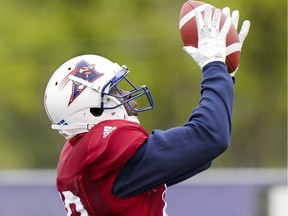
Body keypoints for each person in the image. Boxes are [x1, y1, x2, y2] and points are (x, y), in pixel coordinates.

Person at [44, 6, 250, 216]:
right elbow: (209, 137)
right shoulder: (107, 156)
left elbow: (201, 152)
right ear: (94, 109)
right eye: (115, 90)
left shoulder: (86, 158)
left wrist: (223, 78)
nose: (126, 95)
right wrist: (214, 67)